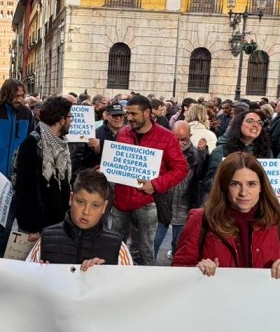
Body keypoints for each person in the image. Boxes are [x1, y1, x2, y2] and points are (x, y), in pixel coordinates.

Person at [171, 152, 280, 277]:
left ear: (261, 186)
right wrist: (197, 270)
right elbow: (179, 269)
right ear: (224, 186)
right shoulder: (201, 220)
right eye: (235, 184)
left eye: (251, 184)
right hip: (215, 295)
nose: (243, 193)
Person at [108, 94, 189, 266]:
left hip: (146, 203)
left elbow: (181, 168)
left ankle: (145, 284)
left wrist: (156, 184)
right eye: (127, 113)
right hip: (120, 202)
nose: (129, 118)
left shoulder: (166, 137)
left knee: (145, 250)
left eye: (134, 114)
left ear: (147, 113)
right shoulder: (123, 132)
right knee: (113, 246)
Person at [27, 169, 131, 268]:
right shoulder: (46, 240)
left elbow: (128, 285)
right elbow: (27, 281)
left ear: (104, 207)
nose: (86, 212)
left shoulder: (118, 249)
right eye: (81, 202)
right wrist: (39, 274)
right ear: (71, 199)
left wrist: (101, 275)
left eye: (95, 205)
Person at [0, 79, 35, 255]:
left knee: (7, 225)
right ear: (7, 94)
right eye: (16, 95)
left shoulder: (27, 113)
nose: (19, 99)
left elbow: (30, 144)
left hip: (15, 180)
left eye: (22, 95)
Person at [14, 96, 74, 239]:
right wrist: (32, 227)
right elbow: (24, 189)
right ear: (61, 120)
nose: (72, 121)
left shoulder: (62, 143)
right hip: (39, 225)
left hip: (58, 221)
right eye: (70, 116)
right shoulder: (32, 143)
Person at [158, 120, 207, 259]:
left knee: (179, 245)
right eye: (176, 139)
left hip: (185, 205)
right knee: (153, 243)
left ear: (190, 136)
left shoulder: (197, 154)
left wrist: (203, 154)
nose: (180, 143)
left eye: (184, 139)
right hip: (163, 204)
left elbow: (201, 176)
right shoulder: (162, 151)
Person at [202, 109, 272, 202]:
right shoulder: (221, 151)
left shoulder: (266, 152)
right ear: (239, 124)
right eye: (250, 121)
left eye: (259, 123)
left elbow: (271, 184)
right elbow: (207, 184)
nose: (255, 125)